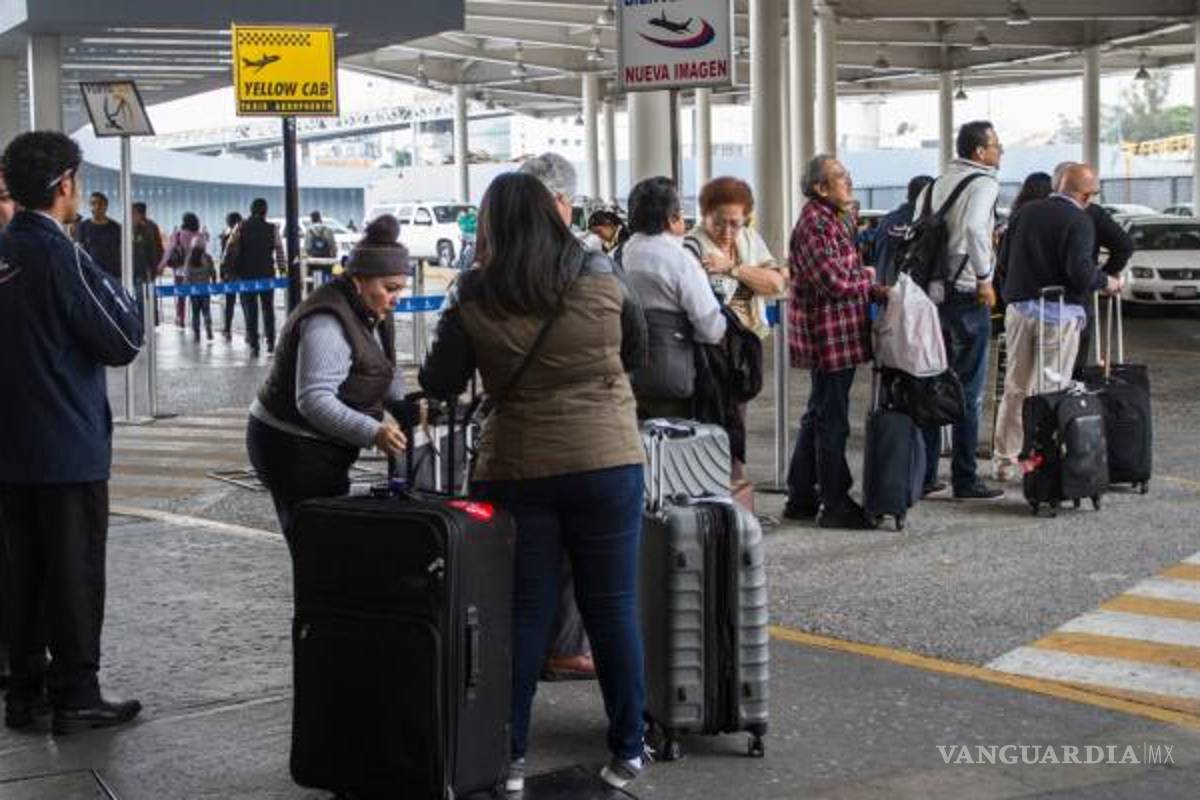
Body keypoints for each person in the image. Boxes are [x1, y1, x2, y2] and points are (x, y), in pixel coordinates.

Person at [420, 172, 649, 793]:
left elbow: (441, 381)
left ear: (491, 224)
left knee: (522, 615)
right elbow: (638, 349)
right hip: (608, 459)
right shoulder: (601, 270)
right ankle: (628, 750)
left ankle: (511, 758)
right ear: (552, 213)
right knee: (613, 607)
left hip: (518, 468)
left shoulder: (473, 290)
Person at [0, 131, 144, 735]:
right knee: (74, 574)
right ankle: (78, 694)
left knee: (21, 575)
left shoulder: (5, 248)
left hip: (10, 450)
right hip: (66, 447)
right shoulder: (60, 254)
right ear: (65, 184)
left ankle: (24, 692)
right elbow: (123, 337)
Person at [247, 216, 410, 537]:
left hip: (326, 445)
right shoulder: (328, 320)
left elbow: (381, 366)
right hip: (291, 446)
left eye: (401, 288)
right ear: (359, 281)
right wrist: (374, 432)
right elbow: (314, 400)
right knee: (318, 544)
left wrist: (407, 406)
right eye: (390, 288)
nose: (397, 298)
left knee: (332, 543)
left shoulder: (372, 309)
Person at [517, 151, 600, 680]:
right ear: (563, 202)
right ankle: (569, 647)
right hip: (581, 434)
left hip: (512, 437)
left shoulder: (486, 265)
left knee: (524, 551)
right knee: (580, 551)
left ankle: (514, 686)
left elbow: (445, 368)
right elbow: (633, 345)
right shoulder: (590, 262)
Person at [992, 163, 1123, 481]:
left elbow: (1003, 262)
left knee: (1015, 387)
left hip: (1020, 311)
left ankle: (1005, 460)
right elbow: (1080, 272)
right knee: (1051, 390)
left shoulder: (1024, 212)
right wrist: (1108, 282)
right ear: (1086, 195)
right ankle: (1044, 465)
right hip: (1058, 317)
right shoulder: (1079, 220)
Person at [784, 156, 886, 528]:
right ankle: (835, 502)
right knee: (832, 421)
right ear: (820, 188)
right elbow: (833, 281)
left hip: (838, 334)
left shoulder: (833, 218)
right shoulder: (816, 224)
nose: (849, 181)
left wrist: (868, 284)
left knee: (818, 414)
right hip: (828, 338)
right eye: (840, 177)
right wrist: (868, 277)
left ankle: (801, 496)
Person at [914, 121, 1006, 501]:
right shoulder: (984, 183)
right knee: (969, 391)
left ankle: (925, 475)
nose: (1000, 152)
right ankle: (965, 479)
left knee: (932, 384)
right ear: (979, 152)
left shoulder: (933, 185)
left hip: (929, 297)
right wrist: (985, 278)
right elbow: (974, 228)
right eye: (996, 145)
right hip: (966, 296)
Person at [685, 177, 786, 501]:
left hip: (744, 346)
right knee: (717, 415)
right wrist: (753, 276)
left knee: (738, 415)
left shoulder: (748, 239)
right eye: (719, 222)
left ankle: (734, 483)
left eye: (735, 223)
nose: (727, 231)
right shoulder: (693, 246)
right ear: (704, 215)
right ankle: (721, 487)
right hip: (710, 351)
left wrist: (733, 268)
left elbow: (777, 283)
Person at [621, 176, 725, 419]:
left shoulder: (624, 253)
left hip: (630, 373)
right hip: (673, 375)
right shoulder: (680, 260)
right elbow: (711, 328)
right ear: (672, 219)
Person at [234, 198, 286, 357]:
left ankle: (254, 344)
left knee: (250, 309)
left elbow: (232, 248)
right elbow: (279, 250)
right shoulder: (272, 228)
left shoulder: (241, 227)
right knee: (268, 308)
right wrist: (282, 270)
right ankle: (270, 342)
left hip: (246, 274)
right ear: (265, 211)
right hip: (266, 273)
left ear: (251, 210)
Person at [873, 175, 935, 286]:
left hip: (882, 286)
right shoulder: (928, 225)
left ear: (907, 195)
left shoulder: (886, 221)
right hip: (911, 290)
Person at [165, 213, 208, 329]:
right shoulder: (200, 235)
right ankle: (195, 321)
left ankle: (180, 319)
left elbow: (170, 250)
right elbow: (204, 252)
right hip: (196, 271)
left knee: (181, 296)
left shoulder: (178, 234)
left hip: (180, 270)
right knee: (195, 296)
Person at [74, 191, 121, 280]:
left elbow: (120, 251)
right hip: (91, 273)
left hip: (112, 273)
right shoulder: (83, 226)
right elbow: (80, 250)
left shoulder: (115, 227)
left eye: (100, 204)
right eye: (93, 204)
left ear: (106, 206)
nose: (96, 207)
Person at [130, 202, 164, 326]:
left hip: (144, 268)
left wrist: (156, 266)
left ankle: (145, 323)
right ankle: (149, 321)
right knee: (146, 295)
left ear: (140, 214)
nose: (130, 215)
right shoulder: (150, 226)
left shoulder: (146, 228)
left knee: (144, 296)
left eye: (133, 212)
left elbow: (155, 248)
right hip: (140, 268)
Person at [185, 234, 217, 342]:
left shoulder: (189, 259)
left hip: (194, 290)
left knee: (195, 312)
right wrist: (214, 283)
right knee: (206, 311)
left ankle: (197, 333)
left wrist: (187, 287)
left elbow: (187, 275)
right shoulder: (207, 258)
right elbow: (213, 272)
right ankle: (209, 331)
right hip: (205, 289)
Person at [219, 212, 243, 341]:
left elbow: (223, 257)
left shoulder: (226, 237)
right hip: (243, 274)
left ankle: (227, 329)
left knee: (229, 303)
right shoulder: (245, 236)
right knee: (246, 303)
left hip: (230, 275)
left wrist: (222, 274)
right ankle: (249, 333)